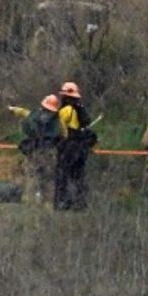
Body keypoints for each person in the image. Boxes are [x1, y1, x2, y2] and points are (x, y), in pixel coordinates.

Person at [54, 81, 96, 211]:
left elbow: (60, 129)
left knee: (63, 175)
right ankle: (81, 203)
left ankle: (63, 203)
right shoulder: (81, 109)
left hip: (69, 147)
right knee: (79, 176)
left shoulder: (66, 110)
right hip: (81, 148)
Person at [17, 94, 62, 206]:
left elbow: (27, 129)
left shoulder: (34, 116)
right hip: (50, 151)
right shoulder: (56, 119)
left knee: (32, 176)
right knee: (49, 178)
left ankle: (31, 203)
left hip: (35, 151)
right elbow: (60, 135)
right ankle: (49, 204)